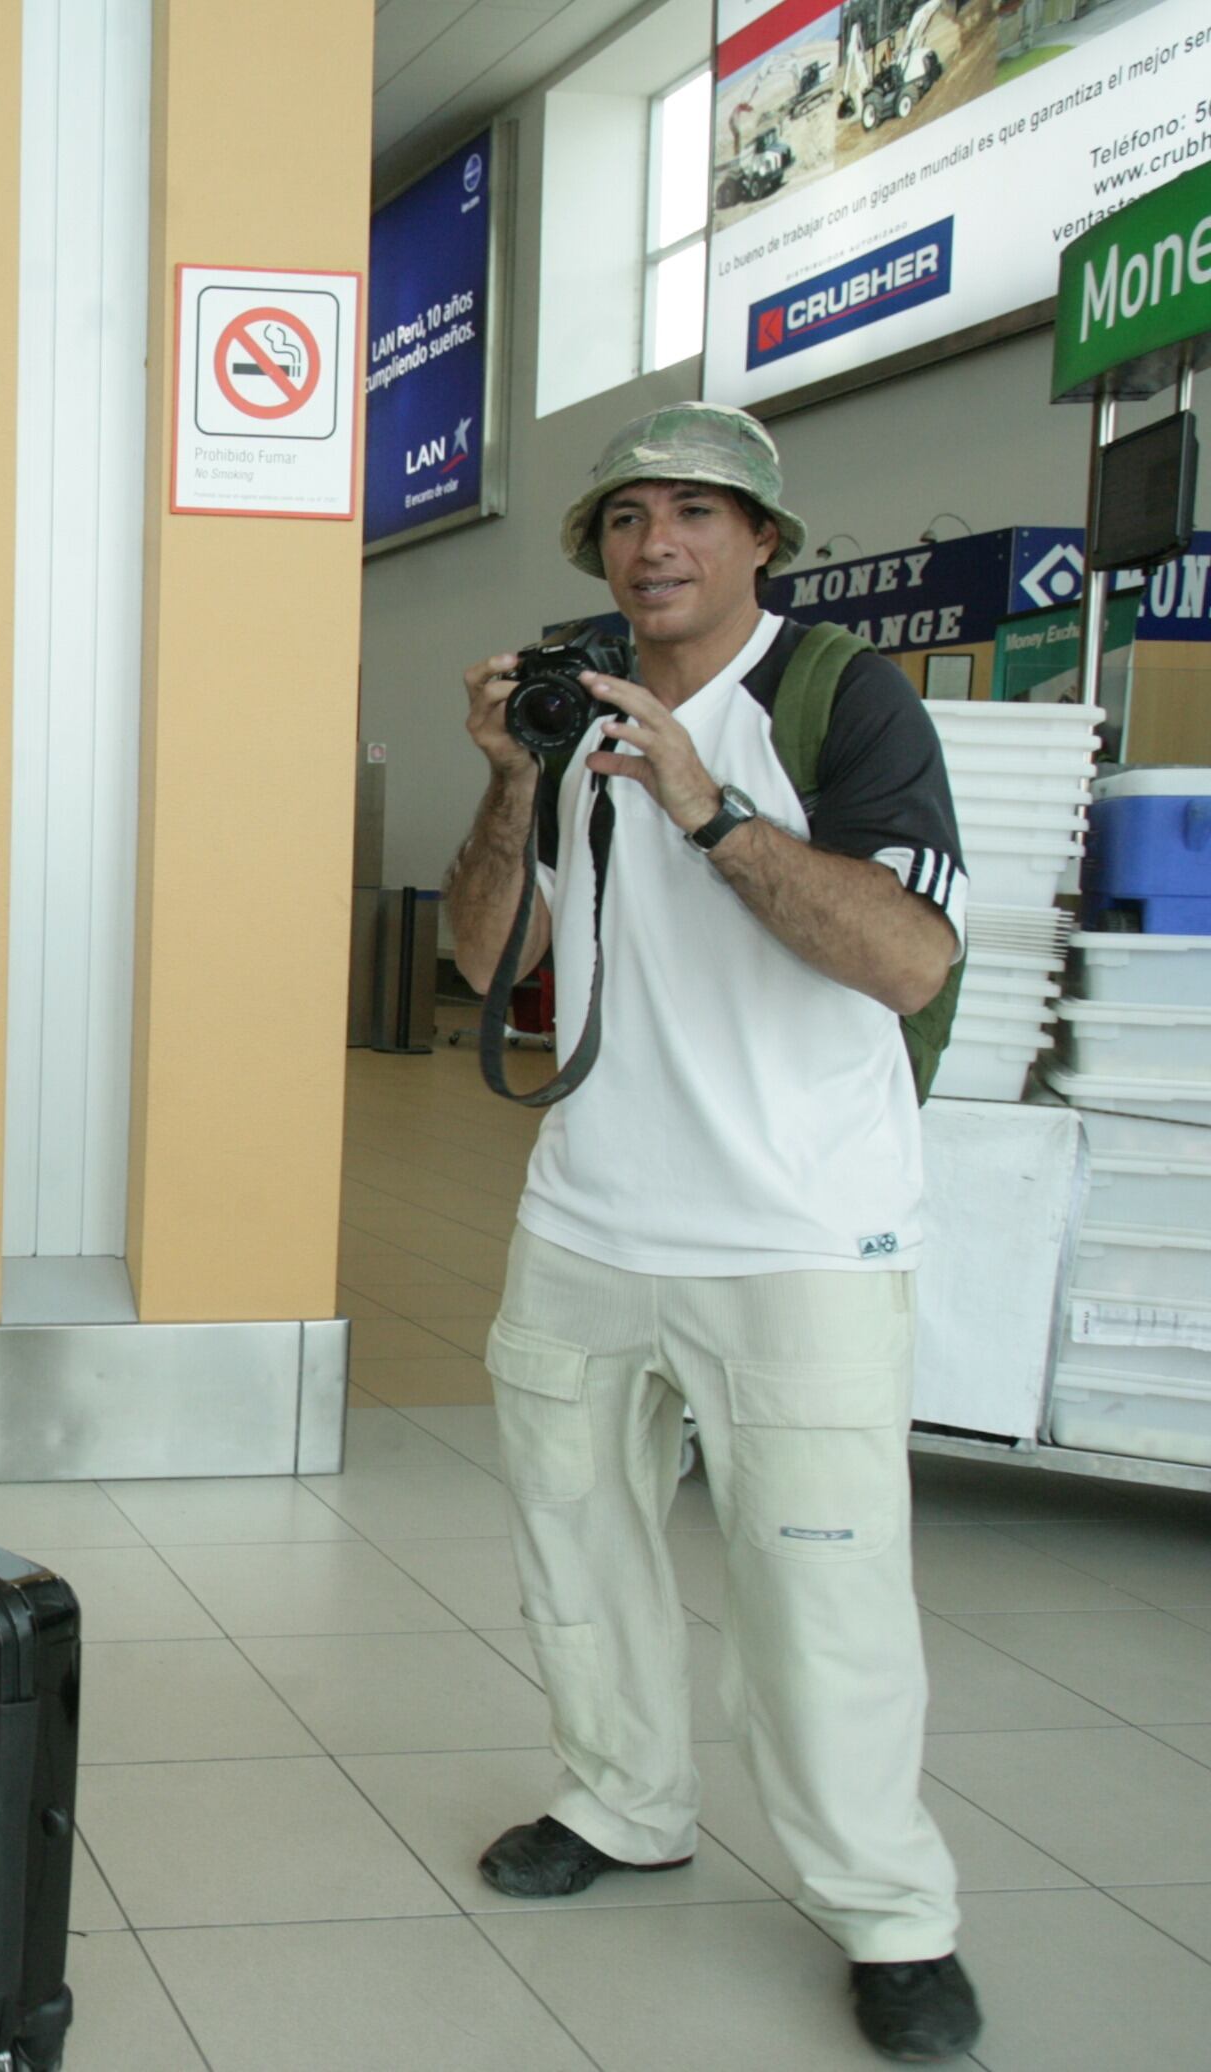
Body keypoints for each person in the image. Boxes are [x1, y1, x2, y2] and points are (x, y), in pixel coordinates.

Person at [442, 403, 978, 2063]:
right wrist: (509, 783)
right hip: (591, 1212)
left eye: (689, 512)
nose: (648, 544)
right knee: (574, 1548)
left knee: (814, 1596)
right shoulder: (573, 699)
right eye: (620, 519)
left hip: (799, 1234)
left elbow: (904, 959)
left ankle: (887, 1910)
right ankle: (620, 1802)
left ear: (761, 538)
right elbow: (477, 961)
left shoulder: (834, 698)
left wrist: (703, 806)